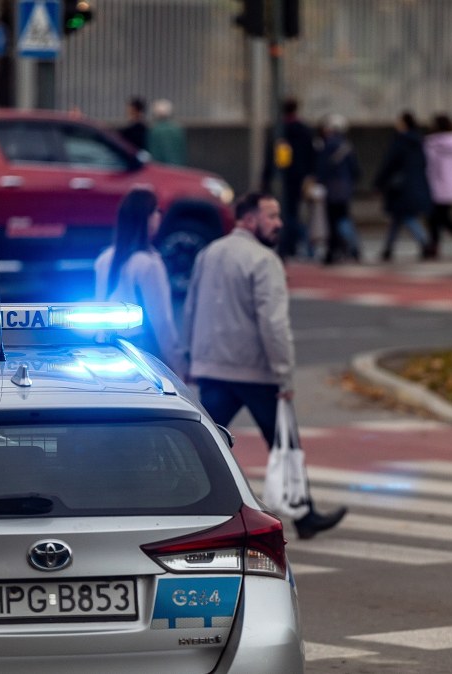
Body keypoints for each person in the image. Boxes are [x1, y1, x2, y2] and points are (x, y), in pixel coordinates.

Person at [182, 191, 347, 539]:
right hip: (255, 370)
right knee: (284, 443)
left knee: (203, 442)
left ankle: (179, 504)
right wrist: (284, 374)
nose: (279, 223)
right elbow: (273, 324)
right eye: (271, 216)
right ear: (249, 219)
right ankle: (304, 515)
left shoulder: (210, 253)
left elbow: (192, 306)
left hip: (213, 366)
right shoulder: (264, 260)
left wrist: (189, 355)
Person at [94, 188, 184, 374]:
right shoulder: (148, 263)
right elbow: (162, 321)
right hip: (140, 349)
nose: (159, 216)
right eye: (156, 211)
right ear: (146, 219)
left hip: (104, 347)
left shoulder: (104, 258)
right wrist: (178, 363)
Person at [260, 98, 317, 260]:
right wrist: (310, 176)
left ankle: (289, 245)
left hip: (281, 178)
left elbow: (270, 157)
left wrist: (265, 179)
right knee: (294, 212)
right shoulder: (305, 130)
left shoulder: (279, 130)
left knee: (285, 214)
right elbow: (312, 155)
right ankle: (298, 245)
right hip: (299, 178)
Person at [373, 111, 432, 262]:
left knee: (405, 216)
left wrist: (378, 182)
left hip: (400, 187)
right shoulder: (419, 142)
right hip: (413, 185)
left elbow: (389, 164)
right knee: (398, 218)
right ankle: (388, 248)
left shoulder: (400, 142)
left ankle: (425, 243)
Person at [314, 113, 363, 264]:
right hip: (345, 187)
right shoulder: (346, 145)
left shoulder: (327, 146)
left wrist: (319, 182)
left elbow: (322, 168)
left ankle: (333, 251)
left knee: (333, 221)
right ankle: (354, 248)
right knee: (344, 218)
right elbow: (355, 169)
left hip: (331, 187)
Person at [423, 113, 452, 258]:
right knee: (440, 217)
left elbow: (428, 166)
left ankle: (437, 244)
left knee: (437, 217)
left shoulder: (429, 143)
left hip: (434, 184)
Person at [146, 99, 187, 166]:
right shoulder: (177, 128)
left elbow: (154, 151)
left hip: (161, 167)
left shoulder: (154, 130)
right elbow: (182, 149)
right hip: (178, 165)